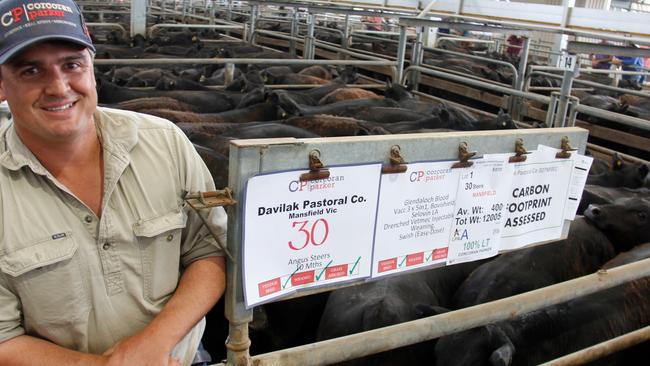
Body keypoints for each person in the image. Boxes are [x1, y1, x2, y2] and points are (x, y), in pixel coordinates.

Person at [0, 1, 227, 365]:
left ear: (91, 69)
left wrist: (154, 342)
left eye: (71, 64)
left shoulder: (165, 142)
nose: (58, 87)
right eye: (31, 71)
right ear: (1, 85)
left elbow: (209, 250)